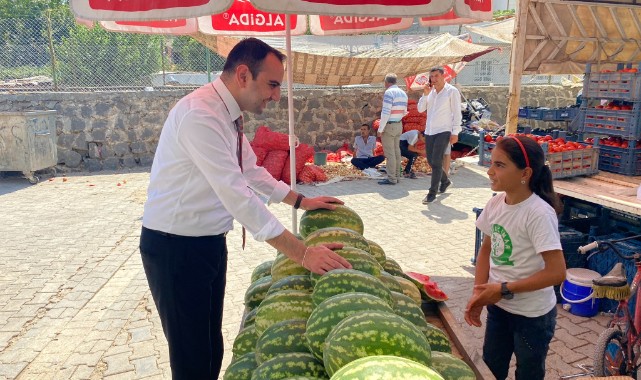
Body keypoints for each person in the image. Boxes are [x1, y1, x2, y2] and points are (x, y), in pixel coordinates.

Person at [139, 38, 351, 380]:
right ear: (242, 75)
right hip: (174, 249)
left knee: (210, 346)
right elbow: (237, 195)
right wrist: (302, 253)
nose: (276, 96)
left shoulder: (227, 114)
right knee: (191, 355)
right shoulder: (200, 116)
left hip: (207, 243)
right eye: (272, 85)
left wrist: (300, 200)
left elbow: (250, 170)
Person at [464, 135, 566, 380]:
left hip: (533, 316)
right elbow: (486, 250)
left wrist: (504, 288)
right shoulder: (496, 203)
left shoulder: (538, 213)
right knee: (490, 368)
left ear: (525, 173)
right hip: (500, 308)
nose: (490, 171)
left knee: (528, 373)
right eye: (491, 162)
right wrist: (479, 294)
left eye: (499, 165)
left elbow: (557, 272)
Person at [418, 67, 462, 203]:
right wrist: (425, 95)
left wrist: (455, 132)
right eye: (432, 77)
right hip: (430, 131)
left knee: (437, 161)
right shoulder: (430, 93)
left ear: (443, 76)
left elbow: (457, 113)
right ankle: (445, 181)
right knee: (432, 161)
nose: (434, 79)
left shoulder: (451, 92)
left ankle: (432, 193)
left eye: (436, 76)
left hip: (444, 130)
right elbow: (420, 109)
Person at [377, 73, 408, 185]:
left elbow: (385, 112)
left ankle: (391, 178)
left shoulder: (389, 93)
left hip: (389, 125)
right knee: (396, 152)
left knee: (390, 154)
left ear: (386, 82)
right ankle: (398, 176)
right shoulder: (403, 93)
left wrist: (380, 129)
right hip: (399, 124)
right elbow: (405, 111)